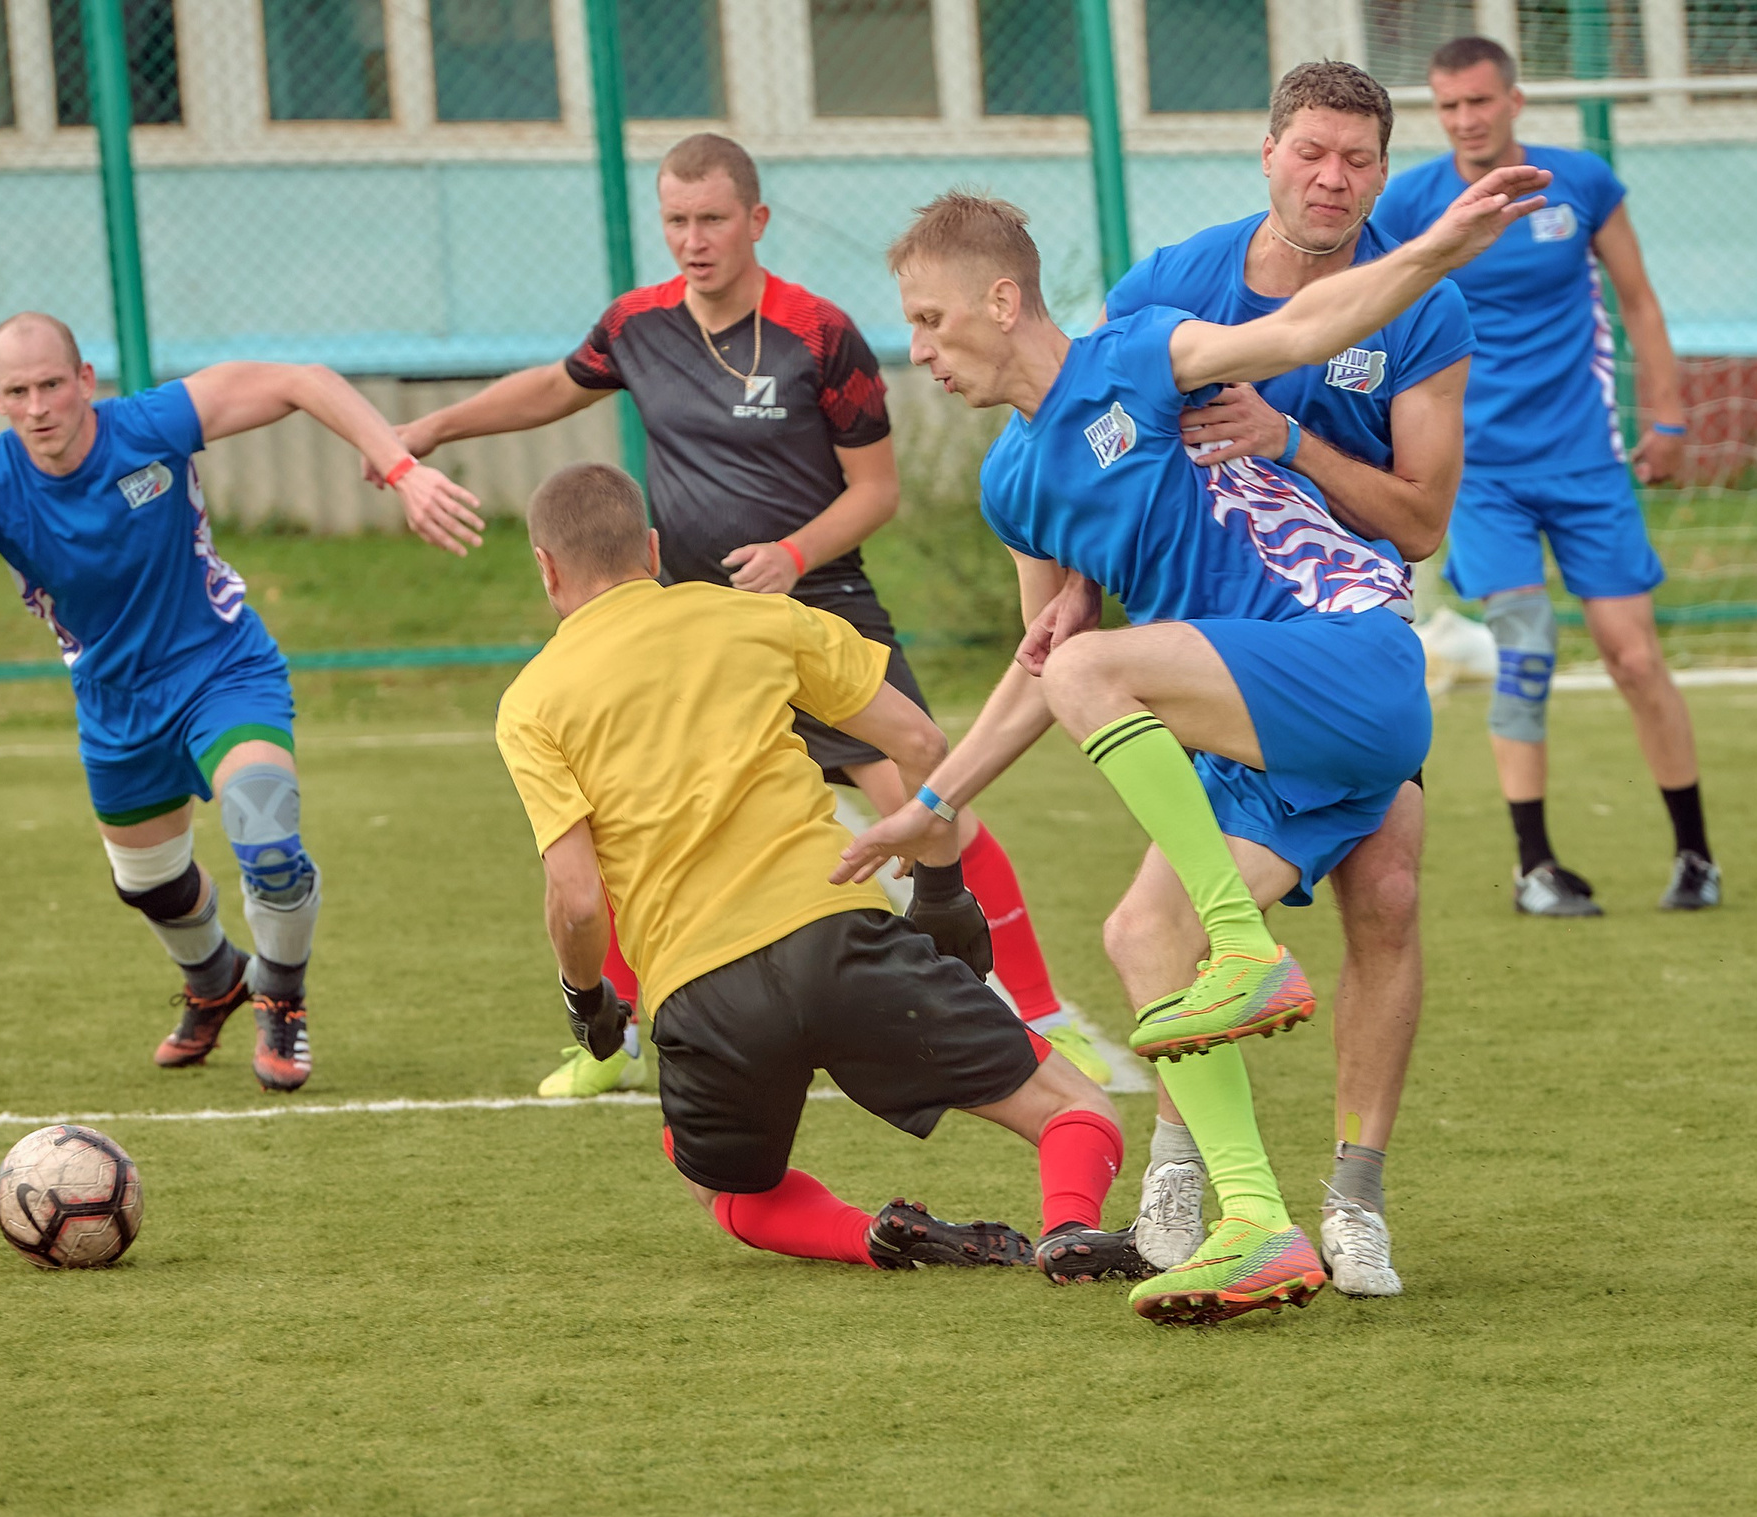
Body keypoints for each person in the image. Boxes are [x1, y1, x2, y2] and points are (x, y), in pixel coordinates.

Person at [835, 168, 1545, 1324]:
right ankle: (1256, 1223)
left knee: (1097, 672)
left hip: (1345, 660)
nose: (917, 349)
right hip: (1255, 731)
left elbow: (1304, 326)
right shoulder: (1014, 481)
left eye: (928, 318)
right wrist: (939, 801)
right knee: (1134, 930)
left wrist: (1437, 250)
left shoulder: (1138, 352)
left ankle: (1244, 948)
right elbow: (1039, 670)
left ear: (1004, 301)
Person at [398, 132, 1111, 1095]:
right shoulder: (635, 325)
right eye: (677, 221)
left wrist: (793, 553)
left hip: (819, 606)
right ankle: (609, 1038)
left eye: (713, 219)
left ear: (756, 221)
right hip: (683, 631)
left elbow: (877, 491)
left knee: (924, 792)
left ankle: (1038, 1008)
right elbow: (551, 389)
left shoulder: (821, 335)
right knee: (616, 825)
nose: (694, 240)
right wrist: (435, 425)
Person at [493, 462, 1134, 1283]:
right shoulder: (755, 619)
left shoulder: (531, 700)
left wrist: (588, 1004)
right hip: (838, 938)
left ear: (546, 568)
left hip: (701, 992)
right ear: (652, 548)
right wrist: (940, 891)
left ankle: (871, 1235)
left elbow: (578, 901)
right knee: (1077, 1107)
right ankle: (1069, 1228)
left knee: (721, 1188)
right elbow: (924, 750)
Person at [0, 315, 481, 1091]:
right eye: (19, 391)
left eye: (52, 383)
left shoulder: (151, 424)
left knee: (266, 832)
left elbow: (300, 380)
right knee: (148, 884)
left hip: (222, 671)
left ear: (85, 381)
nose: (39, 405)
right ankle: (216, 982)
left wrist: (402, 468)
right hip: (116, 708)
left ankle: (281, 995)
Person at [1097, 60, 1475, 1296]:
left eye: (1358, 159)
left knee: (1390, 888)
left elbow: (1420, 521)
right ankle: (1181, 1163)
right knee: (1172, 923)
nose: (1333, 177)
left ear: (1381, 170)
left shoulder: (1419, 305)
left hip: (1343, 645)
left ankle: (1353, 1198)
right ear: (1266, 152)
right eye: (1311, 151)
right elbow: (1084, 452)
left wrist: (1292, 440)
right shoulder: (1166, 286)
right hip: (1206, 655)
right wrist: (1056, 605)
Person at [1375, 36, 1720, 917]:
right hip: (1479, 471)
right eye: (1448, 107)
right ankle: (1536, 867)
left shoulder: (1582, 181)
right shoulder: (1412, 200)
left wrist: (1670, 416)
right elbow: (1368, 313)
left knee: (1635, 657)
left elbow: (1639, 301)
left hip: (1586, 460)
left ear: (1514, 101)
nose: (1464, 121)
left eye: (1479, 103)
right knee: (1524, 651)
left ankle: (1695, 856)